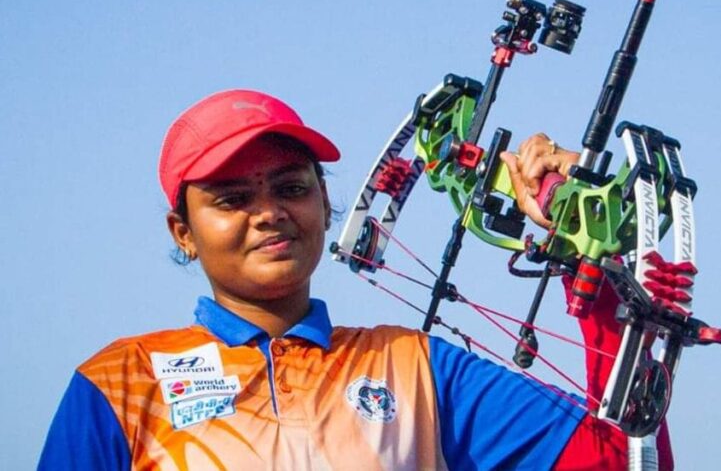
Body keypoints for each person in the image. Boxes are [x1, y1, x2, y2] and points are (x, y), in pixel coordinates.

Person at [39, 89, 674, 469]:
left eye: (291, 188)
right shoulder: (121, 382)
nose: (269, 213)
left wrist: (593, 258)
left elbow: (624, 462)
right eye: (231, 200)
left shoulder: (415, 367)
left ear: (324, 204)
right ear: (184, 232)